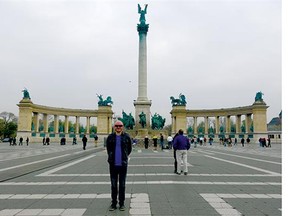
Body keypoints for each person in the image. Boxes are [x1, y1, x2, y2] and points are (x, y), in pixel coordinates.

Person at [106, 120, 132, 211]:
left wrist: (124, 157)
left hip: (123, 164)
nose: (118, 127)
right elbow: (108, 149)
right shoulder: (110, 137)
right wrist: (111, 157)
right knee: (113, 185)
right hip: (113, 164)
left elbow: (129, 149)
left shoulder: (127, 137)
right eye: (116, 126)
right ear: (114, 127)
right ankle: (113, 203)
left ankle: (121, 203)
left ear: (122, 127)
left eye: (120, 126)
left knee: (122, 185)